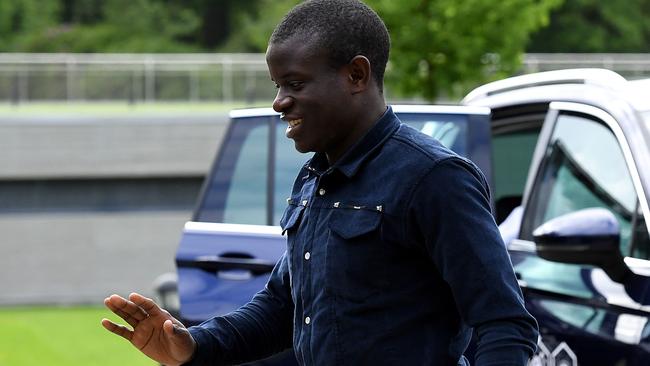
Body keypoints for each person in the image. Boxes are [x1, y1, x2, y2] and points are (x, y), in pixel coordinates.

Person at [102, 0, 539, 365]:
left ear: (357, 75)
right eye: (276, 85)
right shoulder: (315, 178)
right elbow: (281, 307)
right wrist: (192, 344)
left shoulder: (434, 178)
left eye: (294, 83)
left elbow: (504, 324)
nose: (279, 102)